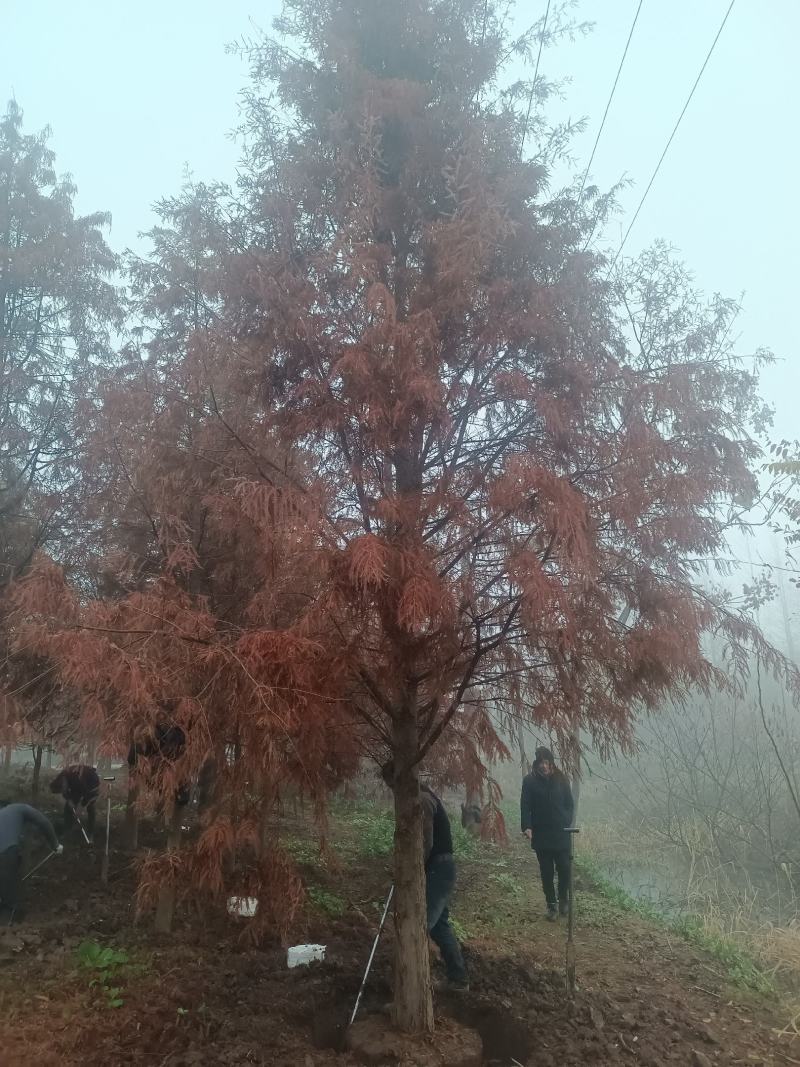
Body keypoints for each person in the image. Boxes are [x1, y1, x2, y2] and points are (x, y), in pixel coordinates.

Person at [382, 761, 469, 992]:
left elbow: (425, 842)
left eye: (392, 785)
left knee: (421, 925)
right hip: (442, 868)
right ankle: (458, 978)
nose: (393, 790)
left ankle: (415, 986)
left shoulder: (422, 801)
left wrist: (409, 867)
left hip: (438, 870)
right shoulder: (425, 796)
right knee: (439, 926)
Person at [520, 746, 575, 921]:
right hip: (541, 834)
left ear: (551, 763)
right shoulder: (529, 781)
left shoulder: (561, 779)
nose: (544, 766)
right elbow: (525, 806)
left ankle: (563, 898)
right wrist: (527, 827)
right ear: (536, 764)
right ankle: (551, 905)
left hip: (561, 833)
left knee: (565, 868)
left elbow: (569, 804)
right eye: (540, 763)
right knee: (546, 871)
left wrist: (565, 820)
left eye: (546, 762)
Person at [0, 801, 62, 923]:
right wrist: (55, 844)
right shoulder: (21, 808)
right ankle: (5, 930)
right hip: (5, 852)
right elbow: (43, 822)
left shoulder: (3, 814)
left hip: (6, 852)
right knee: (10, 896)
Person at [50, 764, 100, 839]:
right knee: (68, 808)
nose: (63, 789)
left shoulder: (91, 778)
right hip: (76, 787)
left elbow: (91, 796)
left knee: (91, 808)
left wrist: (81, 807)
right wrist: (69, 800)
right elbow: (64, 791)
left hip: (90, 787)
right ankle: (67, 830)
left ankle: (90, 833)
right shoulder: (63, 776)